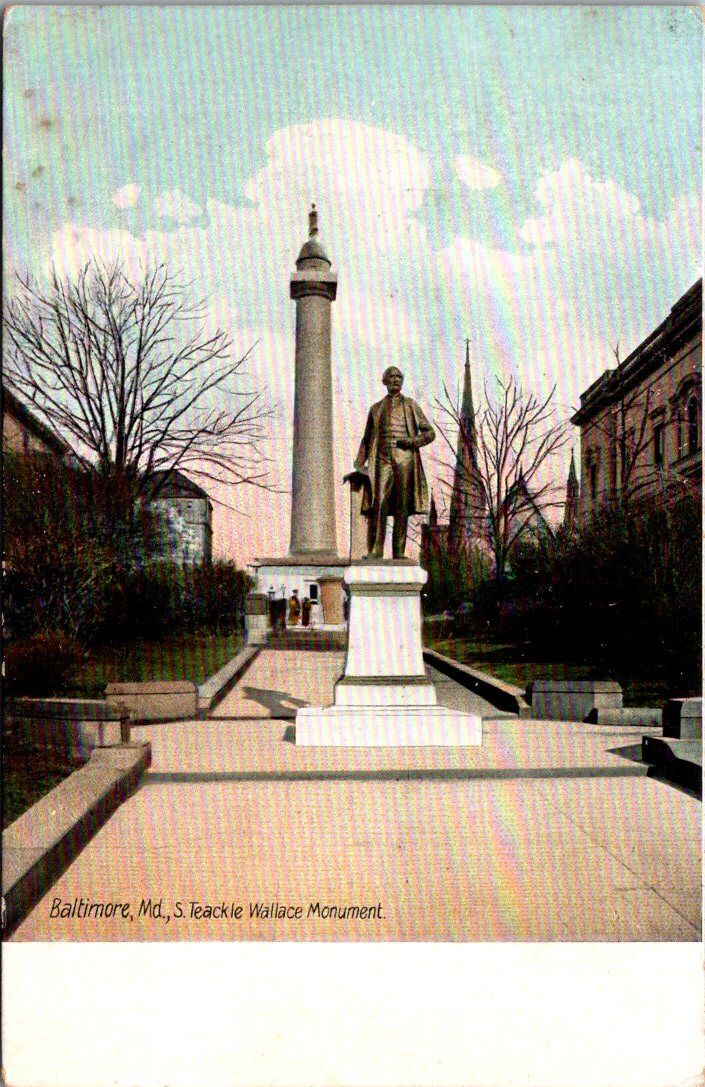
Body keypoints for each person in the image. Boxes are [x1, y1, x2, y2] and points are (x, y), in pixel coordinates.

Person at [354, 366, 435, 559]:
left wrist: (412, 441)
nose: (396, 380)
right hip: (382, 459)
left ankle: (398, 551)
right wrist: (359, 463)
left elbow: (429, 433)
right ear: (385, 381)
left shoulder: (410, 405)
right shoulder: (376, 409)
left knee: (402, 504)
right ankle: (377, 550)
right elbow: (367, 438)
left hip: (405, 459)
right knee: (379, 502)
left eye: (399, 377)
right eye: (392, 377)